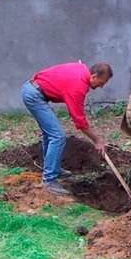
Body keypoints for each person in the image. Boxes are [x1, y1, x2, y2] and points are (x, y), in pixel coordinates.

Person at [21, 61, 113, 195]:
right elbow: (80, 122)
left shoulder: (82, 68)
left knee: (50, 133)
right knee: (58, 136)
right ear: (93, 77)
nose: (101, 87)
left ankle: (53, 168)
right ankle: (49, 180)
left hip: (33, 89)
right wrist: (97, 140)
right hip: (34, 95)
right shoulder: (78, 87)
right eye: (101, 83)